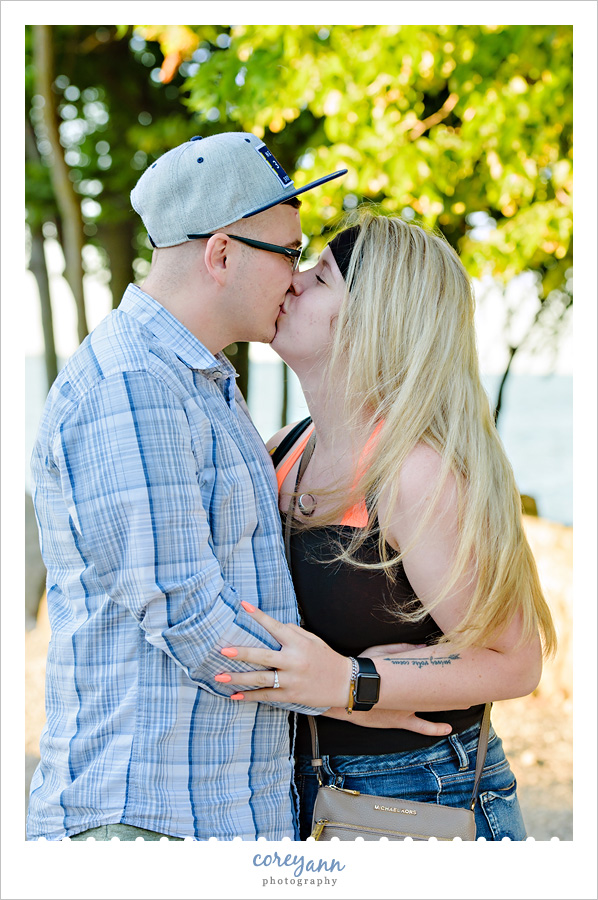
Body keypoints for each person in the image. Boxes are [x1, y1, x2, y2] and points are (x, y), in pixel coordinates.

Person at [27, 131, 356, 841]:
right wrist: (358, 690)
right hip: (150, 825)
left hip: (205, 821)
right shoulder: (135, 385)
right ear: (222, 254)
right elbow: (192, 621)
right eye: (290, 255)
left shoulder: (197, 380)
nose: (297, 279)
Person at [213, 211, 558, 840]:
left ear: (374, 319)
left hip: (422, 796)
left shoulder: (414, 474)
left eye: (318, 277)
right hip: (298, 791)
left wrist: (355, 683)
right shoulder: (283, 450)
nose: (289, 282)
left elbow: (516, 663)